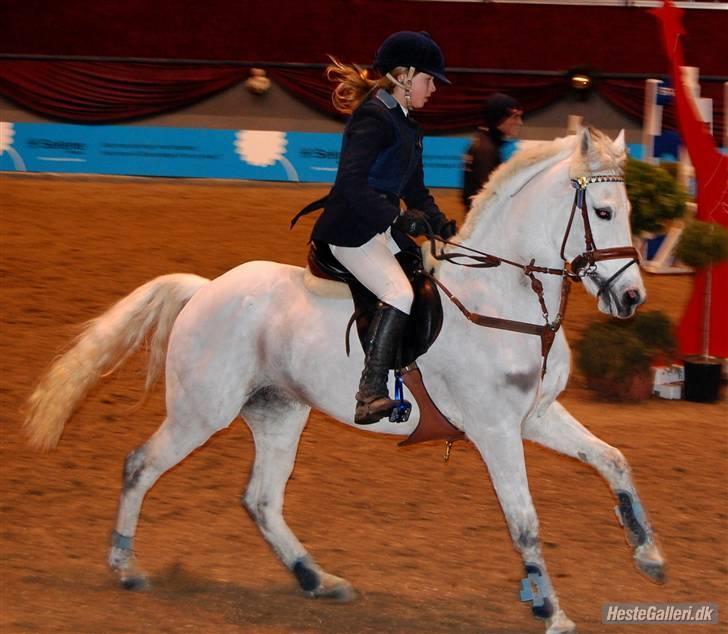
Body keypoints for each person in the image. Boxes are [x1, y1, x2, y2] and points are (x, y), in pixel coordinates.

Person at [300, 31, 458, 425]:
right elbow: (350, 184)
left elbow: (415, 190)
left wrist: (441, 225)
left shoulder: (407, 125)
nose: (433, 88)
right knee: (399, 292)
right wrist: (397, 218)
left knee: (429, 278)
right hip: (351, 229)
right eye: (429, 79)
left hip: (382, 229)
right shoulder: (373, 116)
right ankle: (370, 392)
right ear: (404, 77)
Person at [462, 92, 524, 209]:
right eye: (515, 117)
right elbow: (487, 197)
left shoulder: (485, 142)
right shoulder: (486, 149)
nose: (520, 122)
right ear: (499, 119)